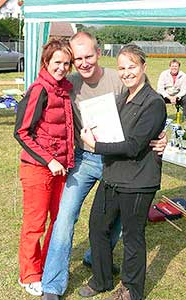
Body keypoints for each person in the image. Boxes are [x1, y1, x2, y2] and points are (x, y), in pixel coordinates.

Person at [41, 32, 167, 300]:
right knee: (68, 217)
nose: (83, 63)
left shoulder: (118, 80)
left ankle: (103, 267)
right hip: (89, 159)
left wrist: (160, 136)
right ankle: (53, 284)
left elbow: (144, 115)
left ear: (98, 53)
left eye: (88, 56)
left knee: (120, 224)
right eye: (78, 59)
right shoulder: (69, 83)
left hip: (121, 164)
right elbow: (45, 105)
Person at [79, 44, 167, 300]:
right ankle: (102, 278)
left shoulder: (153, 103)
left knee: (132, 236)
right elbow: (111, 131)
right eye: (122, 68)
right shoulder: (120, 99)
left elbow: (134, 146)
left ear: (143, 68)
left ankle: (131, 289)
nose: (127, 72)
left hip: (138, 181)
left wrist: (96, 145)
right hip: (113, 175)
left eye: (132, 67)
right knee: (97, 226)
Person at [14, 39, 74, 296]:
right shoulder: (39, 89)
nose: (61, 68)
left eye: (66, 63)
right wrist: (48, 159)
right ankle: (28, 274)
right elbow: (22, 132)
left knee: (58, 222)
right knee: (35, 224)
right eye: (57, 62)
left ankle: (48, 267)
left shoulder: (65, 89)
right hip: (38, 169)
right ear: (46, 62)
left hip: (61, 169)